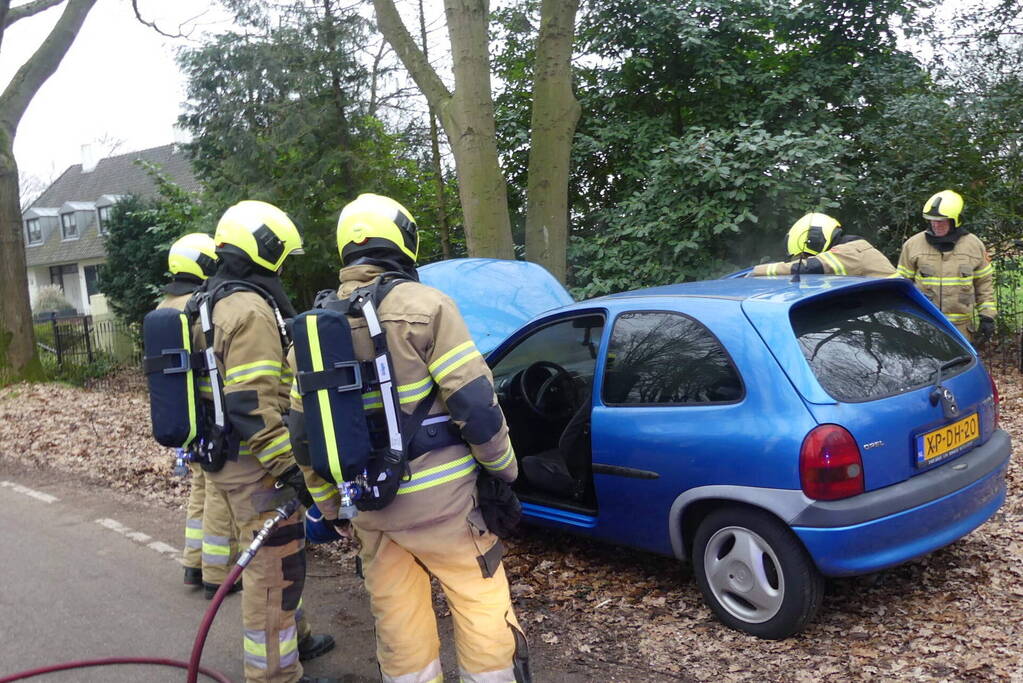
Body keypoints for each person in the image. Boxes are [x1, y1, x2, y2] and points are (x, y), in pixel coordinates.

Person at [289, 193, 531, 683]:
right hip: (447, 506)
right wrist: (504, 469)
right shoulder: (427, 306)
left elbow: (304, 438)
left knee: (398, 618)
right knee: (479, 598)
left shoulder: (309, 335)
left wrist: (332, 507)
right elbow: (476, 406)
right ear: (402, 240)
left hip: (372, 509)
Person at [200, 200, 337, 683]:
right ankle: (275, 676)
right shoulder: (252, 309)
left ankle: (295, 643)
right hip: (255, 464)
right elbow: (252, 406)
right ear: (264, 247)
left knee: (280, 562)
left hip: (223, 459)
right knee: (271, 576)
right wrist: (291, 470)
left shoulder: (212, 298)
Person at [156, 233, 240, 598]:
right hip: (211, 413)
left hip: (185, 417)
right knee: (219, 493)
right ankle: (218, 573)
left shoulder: (165, 306)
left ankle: (194, 561)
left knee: (200, 488)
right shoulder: (200, 304)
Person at [897, 190, 997, 342]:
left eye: (941, 221)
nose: (936, 225)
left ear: (955, 220)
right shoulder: (913, 245)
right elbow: (902, 284)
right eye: (932, 220)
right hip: (925, 324)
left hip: (961, 329)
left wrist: (987, 316)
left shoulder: (974, 245)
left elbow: (984, 284)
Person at [751, 213, 897, 278]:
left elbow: (808, 267)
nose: (805, 259)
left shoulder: (848, 252)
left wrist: (755, 271)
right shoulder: (855, 248)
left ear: (815, 242)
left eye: (805, 256)